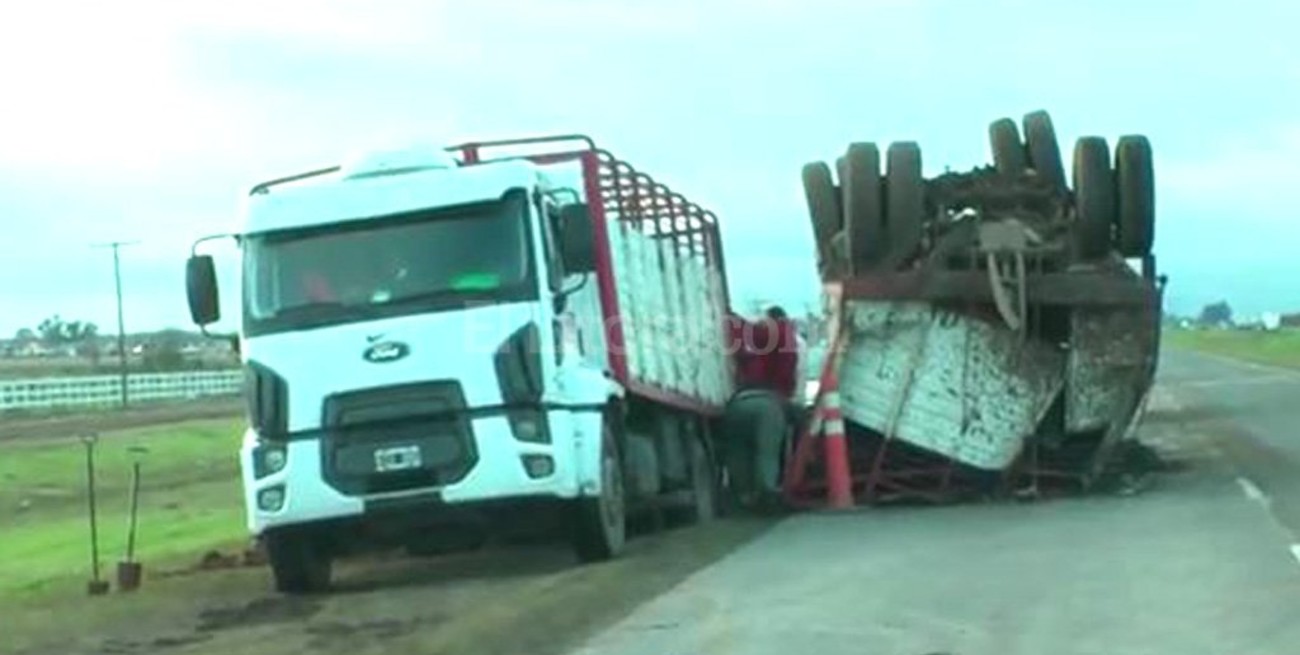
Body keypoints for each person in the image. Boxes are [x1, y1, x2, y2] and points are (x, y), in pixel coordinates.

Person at [722, 304, 803, 514]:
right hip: (768, 403)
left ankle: (742, 496)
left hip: (737, 403)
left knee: (738, 450)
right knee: (766, 451)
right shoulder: (784, 335)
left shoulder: (745, 335)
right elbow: (789, 370)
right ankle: (767, 495)